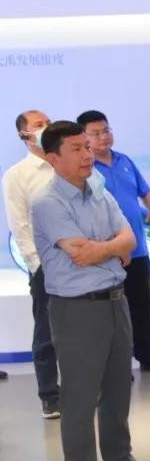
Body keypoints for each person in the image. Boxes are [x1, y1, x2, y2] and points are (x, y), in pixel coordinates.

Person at [31, 121, 150, 461]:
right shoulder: (47, 202)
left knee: (118, 387)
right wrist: (111, 247)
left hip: (115, 300)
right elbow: (80, 253)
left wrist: (103, 247)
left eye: (87, 147)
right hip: (76, 308)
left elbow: (130, 238)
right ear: (53, 158)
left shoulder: (100, 192)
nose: (87, 154)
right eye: (76, 148)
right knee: (80, 396)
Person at [76, 110, 150, 375]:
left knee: (142, 307)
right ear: (84, 137)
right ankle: (118, 366)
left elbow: (146, 195)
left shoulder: (125, 161)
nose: (103, 137)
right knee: (112, 313)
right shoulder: (85, 169)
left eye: (106, 130)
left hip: (138, 250)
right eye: (95, 133)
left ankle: (148, 357)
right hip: (107, 253)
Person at [3, 109, 60, 417]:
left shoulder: (65, 164)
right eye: (39, 125)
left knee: (83, 330)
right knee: (46, 332)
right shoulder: (17, 175)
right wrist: (37, 265)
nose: (46, 127)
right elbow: (20, 225)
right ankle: (50, 395)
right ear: (23, 134)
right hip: (45, 266)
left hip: (81, 260)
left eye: (48, 122)